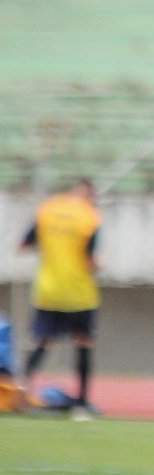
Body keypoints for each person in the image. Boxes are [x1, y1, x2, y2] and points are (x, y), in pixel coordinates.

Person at [18, 178, 102, 420]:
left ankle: (22, 392)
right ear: (89, 195)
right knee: (83, 343)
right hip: (78, 293)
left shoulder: (47, 210)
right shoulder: (89, 217)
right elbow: (90, 259)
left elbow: (24, 244)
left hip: (48, 291)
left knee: (42, 342)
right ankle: (82, 403)